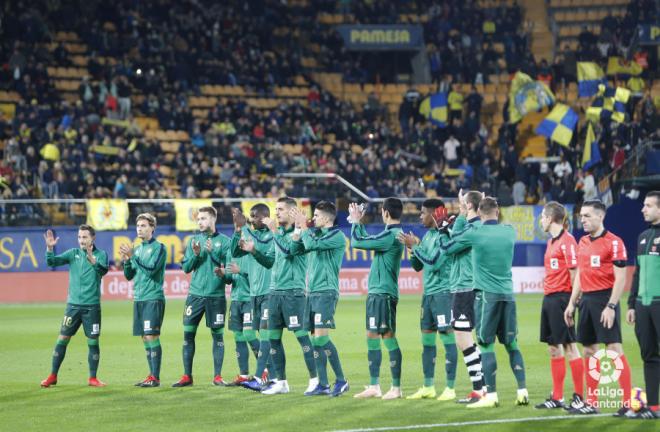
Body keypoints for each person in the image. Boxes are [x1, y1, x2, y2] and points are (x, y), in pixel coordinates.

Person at [442, 197, 529, 408]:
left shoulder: (475, 233)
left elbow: (448, 247)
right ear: (497, 211)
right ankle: (522, 391)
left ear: (480, 213)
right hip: (508, 295)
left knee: (486, 345)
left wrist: (447, 227)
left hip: (487, 296)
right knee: (512, 344)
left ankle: (491, 396)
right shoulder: (509, 231)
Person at [564, 200, 632, 416]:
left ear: (600, 217)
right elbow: (580, 276)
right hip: (586, 301)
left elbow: (621, 279)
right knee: (589, 350)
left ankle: (629, 401)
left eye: (587, 216)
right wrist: (571, 303)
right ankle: (591, 402)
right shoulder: (582, 241)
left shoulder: (614, 242)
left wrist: (611, 305)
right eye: (581, 216)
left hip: (605, 300)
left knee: (613, 350)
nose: (582, 219)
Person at [244, 197, 318, 396]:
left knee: (302, 338)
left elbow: (287, 251)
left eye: (281, 209)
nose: (276, 213)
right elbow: (271, 262)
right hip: (274, 292)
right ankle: (281, 382)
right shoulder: (281, 233)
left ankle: (315, 379)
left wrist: (274, 230)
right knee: (273, 338)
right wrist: (255, 252)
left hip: (293, 293)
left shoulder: (299, 233)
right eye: (275, 209)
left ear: (292, 212)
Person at [398, 199, 458, 401]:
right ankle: (428, 386)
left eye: (423, 213)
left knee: (448, 339)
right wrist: (412, 248)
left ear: (434, 215)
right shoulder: (427, 236)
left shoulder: (444, 236)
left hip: (443, 294)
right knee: (427, 341)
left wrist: (416, 246)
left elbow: (434, 262)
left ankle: (450, 388)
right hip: (428, 295)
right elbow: (418, 266)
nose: (420, 216)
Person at [292, 201, 350, 397]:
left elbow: (312, 245)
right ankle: (323, 384)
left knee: (322, 338)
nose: (313, 218)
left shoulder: (337, 236)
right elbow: (295, 249)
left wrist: (304, 227)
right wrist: (298, 230)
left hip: (326, 291)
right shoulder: (314, 234)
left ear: (326, 218)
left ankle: (341, 380)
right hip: (312, 292)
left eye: (316, 215)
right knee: (316, 341)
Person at [40, 225, 109, 388]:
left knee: (93, 341)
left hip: (92, 307)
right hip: (73, 306)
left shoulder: (101, 255)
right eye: (79, 237)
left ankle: (93, 378)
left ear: (93, 238)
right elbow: (51, 262)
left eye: (85, 237)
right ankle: (52, 375)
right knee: (63, 338)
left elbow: (103, 271)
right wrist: (49, 248)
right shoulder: (73, 254)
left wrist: (93, 262)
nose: (81, 240)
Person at [350, 198, 405, 400]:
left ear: (385, 213)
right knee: (372, 336)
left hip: (383, 294)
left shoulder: (392, 236)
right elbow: (367, 241)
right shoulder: (389, 234)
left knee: (388, 337)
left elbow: (357, 242)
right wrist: (359, 222)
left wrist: (356, 222)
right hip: (376, 293)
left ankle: (396, 388)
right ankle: (374, 386)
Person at [172, 206, 231, 387]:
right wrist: (197, 255)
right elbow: (186, 268)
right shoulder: (193, 241)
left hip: (216, 296)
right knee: (188, 335)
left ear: (213, 219)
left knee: (217, 337)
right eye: (198, 219)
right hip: (195, 295)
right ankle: (187, 376)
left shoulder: (226, 242)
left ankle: (218, 376)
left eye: (204, 218)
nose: (200, 222)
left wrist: (218, 265)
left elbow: (229, 276)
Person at [536, 202, 585, 409]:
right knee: (554, 349)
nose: (540, 221)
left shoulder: (568, 241)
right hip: (549, 298)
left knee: (570, 347)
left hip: (563, 299)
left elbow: (576, 275)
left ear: (550, 218)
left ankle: (579, 396)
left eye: (542, 217)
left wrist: (572, 304)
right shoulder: (551, 242)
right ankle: (557, 397)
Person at [443, 190, 487, 405]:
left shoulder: (472, 227)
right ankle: (482, 386)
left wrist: (460, 215)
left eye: (463, 204)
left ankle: (480, 389)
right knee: (466, 338)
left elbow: (449, 247)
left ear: (469, 205)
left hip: (465, 288)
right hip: (467, 287)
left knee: (463, 339)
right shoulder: (479, 227)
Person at [120, 213, 167, 388]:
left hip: (153, 298)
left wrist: (133, 257)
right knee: (144, 338)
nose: (140, 228)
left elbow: (152, 270)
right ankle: (151, 375)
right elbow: (128, 275)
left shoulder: (159, 248)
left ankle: (155, 377)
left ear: (152, 228)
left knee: (151, 335)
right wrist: (126, 261)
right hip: (139, 299)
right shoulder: (137, 249)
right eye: (138, 226)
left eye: (144, 225)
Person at [231, 204, 275, 391]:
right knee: (259, 335)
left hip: (269, 292)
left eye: (254, 216)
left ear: (265, 217)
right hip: (253, 294)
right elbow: (235, 252)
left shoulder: (272, 236)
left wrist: (245, 229)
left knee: (265, 335)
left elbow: (267, 260)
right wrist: (238, 231)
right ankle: (271, 375)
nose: (251, 219)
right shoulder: (251, 233)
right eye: (250, 216)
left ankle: (260, 376)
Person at [626, 191, 660, 420]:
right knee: (649, 356)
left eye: (648, 205)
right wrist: (630, 304)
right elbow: (637, 275)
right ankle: (654, 408)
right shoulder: (642, 237)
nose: (643, 209)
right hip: (642, 306)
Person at [217, 248, 258, 386]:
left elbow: (257, 275)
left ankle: (265, 370)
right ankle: (244, 375)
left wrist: (239, 271)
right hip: (235, 299)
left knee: (249, 334)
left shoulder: (252, 250)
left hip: (249, 299)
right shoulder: (230, 252)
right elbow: (229, 279)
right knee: (238, 336)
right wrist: (223, 274)